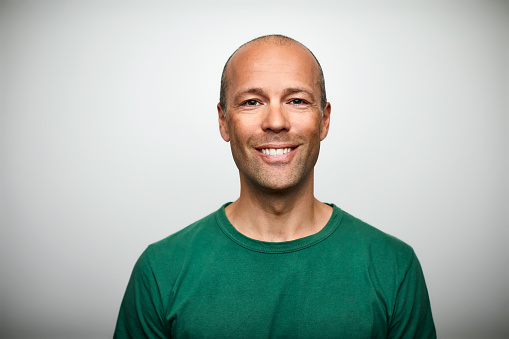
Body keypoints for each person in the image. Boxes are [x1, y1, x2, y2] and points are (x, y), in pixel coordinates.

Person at [114, 34, 436, 338]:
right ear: (224, 121)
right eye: (252, 102)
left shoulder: (393, 265)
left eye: (296, 100)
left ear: (324, 120)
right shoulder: (160, 270)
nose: (276, 121)